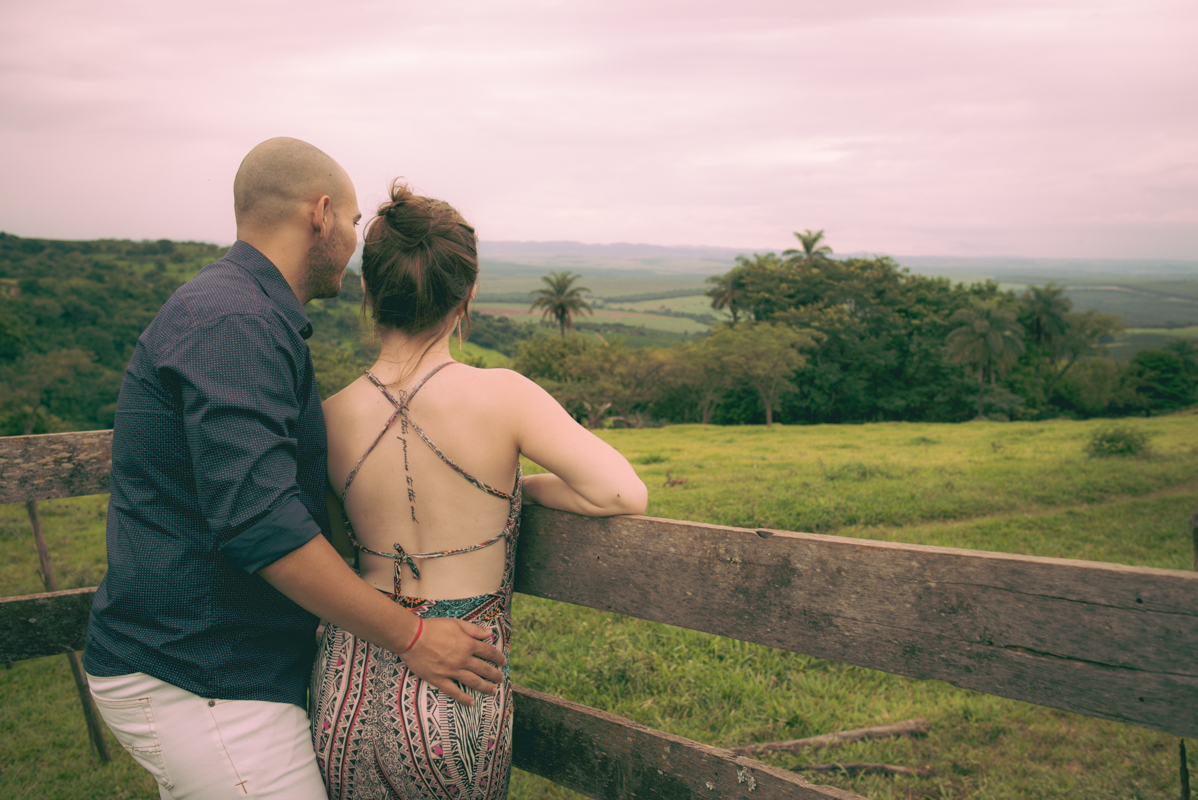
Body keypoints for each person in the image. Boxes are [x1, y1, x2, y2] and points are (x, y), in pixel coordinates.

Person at [83, 139, 507, 800]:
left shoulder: (243, 310)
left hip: (209, 665)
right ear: (321, 213)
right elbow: (261, 524)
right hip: (203, 676)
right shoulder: (237, 321)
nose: (356, 241)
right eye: (354, 222)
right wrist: (413, 635)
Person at [309, 181, 647, 799]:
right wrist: (521, 489)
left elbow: (330, 550)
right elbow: (622, 495)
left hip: (348, 676)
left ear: (367, 290)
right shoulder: (503, 396)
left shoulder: (326, 416)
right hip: (463, 675)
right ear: (468, 292)